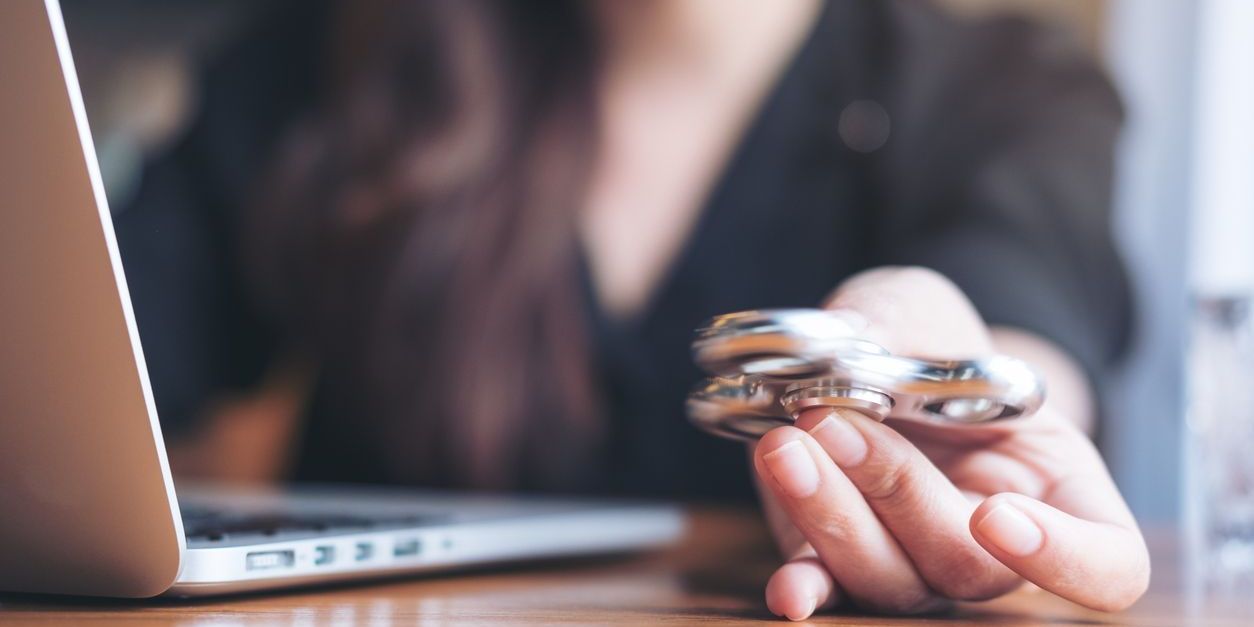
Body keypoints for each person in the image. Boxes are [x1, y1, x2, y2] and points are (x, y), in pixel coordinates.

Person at [113, 0, 1147, 619]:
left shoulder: (1005, 91)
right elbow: (100, 354)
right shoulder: (330, 59)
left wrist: (968, 418)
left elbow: (1019, 301)